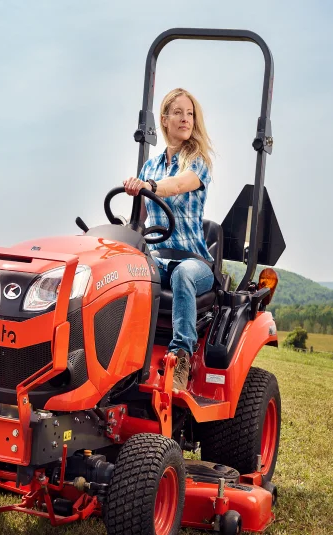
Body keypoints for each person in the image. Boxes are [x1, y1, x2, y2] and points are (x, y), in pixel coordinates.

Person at [123, 88, 214, 391]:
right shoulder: (150, 166)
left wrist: (148, 186)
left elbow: (176, 185)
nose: (185, 119)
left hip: (195, 262)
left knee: (183, 274)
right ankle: (122, 352)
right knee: (126, 272)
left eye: (190, 114)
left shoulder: (198, 162)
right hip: (159, 259)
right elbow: (139, 221)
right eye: (178, 112)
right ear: (164, 119)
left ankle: (180, 358)